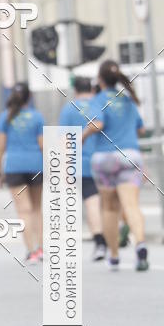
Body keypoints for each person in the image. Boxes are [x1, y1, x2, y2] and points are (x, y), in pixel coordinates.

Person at [83, 59, 148, 271]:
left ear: (100, 80)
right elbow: (141, 130)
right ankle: (140, 245)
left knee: (109, 208)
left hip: (106, 159)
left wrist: (83, 136)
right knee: (131, 206)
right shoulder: (127, 99)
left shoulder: (99, 99)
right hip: (130, 155)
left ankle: (114, 256)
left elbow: (99, 123)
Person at [0, 83, 44, 262]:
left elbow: (0, 145)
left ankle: (31, 251)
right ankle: (41, 249)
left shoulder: (5, 118)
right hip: (36, 165)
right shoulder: (37, 117)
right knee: (37, 208)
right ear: (29, 97)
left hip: (14, 167)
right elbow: (42, 145)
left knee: (24, 210)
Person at [59, 77, 106, 261]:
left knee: (91, 203)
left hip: (81, 163)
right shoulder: (99, 105)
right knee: (110, 201)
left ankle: (100, 243)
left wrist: (65, 168)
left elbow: (65, 140)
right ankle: (115, 230)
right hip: (105, 159)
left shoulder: (69, 109)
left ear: (75, 90)